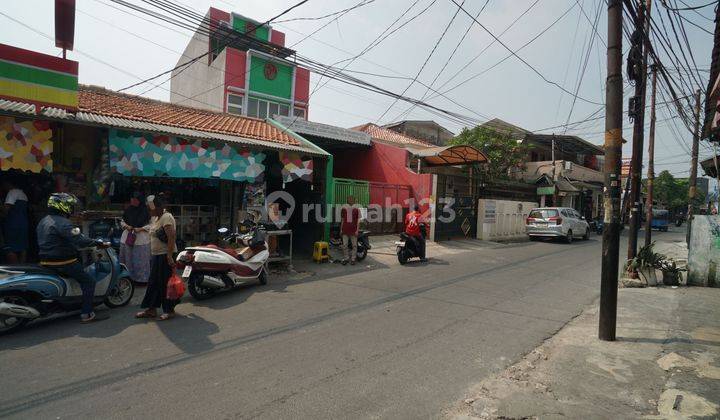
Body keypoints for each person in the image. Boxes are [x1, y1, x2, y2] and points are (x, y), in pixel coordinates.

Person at [37, 193, 109, 323]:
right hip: (63, 262)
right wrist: (97, 242)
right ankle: (87, 314)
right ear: (63, 206)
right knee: (88, 281)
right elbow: (80, 240)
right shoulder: (64, 223)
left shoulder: (44, 220)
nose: (71, 208)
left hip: (45, 261)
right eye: (70, 206)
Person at [135, 194, 178, 321]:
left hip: (166, 255)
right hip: (156, 255)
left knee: (165, 283)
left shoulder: (166, 217)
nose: (150, 211)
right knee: (153, 282)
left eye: (151, 209)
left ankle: (169, 310)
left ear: (159, 207)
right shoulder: (155, 219)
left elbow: (171, 237)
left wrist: (169, 256)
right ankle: (151, 309)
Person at [120, 192, 152, 285]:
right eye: (132, 199)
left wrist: (141, 228)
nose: (133, 201)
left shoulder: (146, 211)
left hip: (141, 240)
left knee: (141, 262)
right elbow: (122, 221)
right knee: (128, 261)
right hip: (128, 238)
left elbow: (152, 225)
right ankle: (129, 279)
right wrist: (127, 226)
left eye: (135, 199)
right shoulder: (128, 210)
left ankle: (142, 280)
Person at [2, 178, 29, 264]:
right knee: (22, 247)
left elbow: (6, 209)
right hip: (23, 224)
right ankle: (22, 269)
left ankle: (15, 270)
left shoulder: (12, 192)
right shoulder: (23, 194)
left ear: (8, 183)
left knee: (9, 248)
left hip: (12, 224)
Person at [340, 196, 360, 265]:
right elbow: (342, 220)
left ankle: (353, 259)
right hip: (345, 230)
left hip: (353, 230)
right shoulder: (343, 209)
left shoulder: (357, 210)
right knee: (345, 245)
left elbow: (358, 220)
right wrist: (341, 229)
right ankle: (346, 258)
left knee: (354, 245)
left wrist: (357, 230)